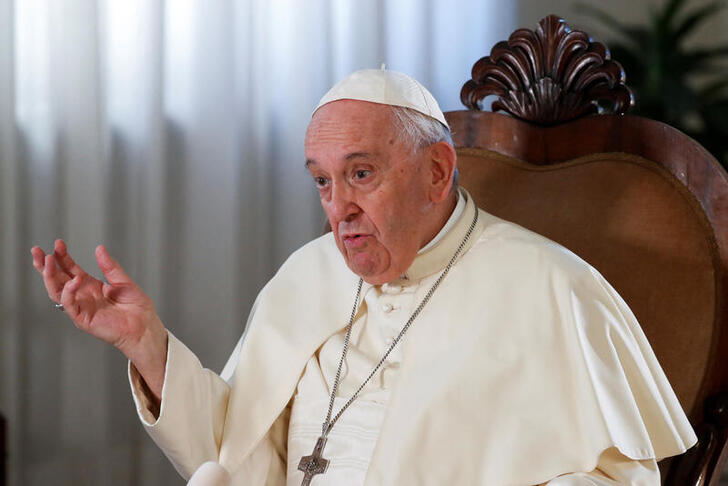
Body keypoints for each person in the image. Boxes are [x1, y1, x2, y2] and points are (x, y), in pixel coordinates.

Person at [31, 69, 697, 485]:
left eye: (360, 174)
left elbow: (621, 479)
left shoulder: (555, 289)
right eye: (322, 181)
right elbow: (238, 457)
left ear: (436, 172)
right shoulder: (309, 274)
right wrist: (147, 345)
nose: (337, 209)